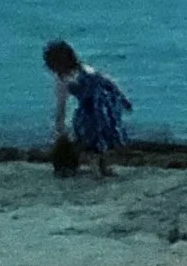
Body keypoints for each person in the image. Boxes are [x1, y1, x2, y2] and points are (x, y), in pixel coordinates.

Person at [44, 40, 133, 178]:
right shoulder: (85, 70)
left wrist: (59, 126)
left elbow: (62, 105)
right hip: (98, 111)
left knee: (92, 142)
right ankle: (101, 167)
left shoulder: (65, 80)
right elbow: (107, 83)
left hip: (90, 112)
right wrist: (123, 99)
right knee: (96, 142)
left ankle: (99, 168)